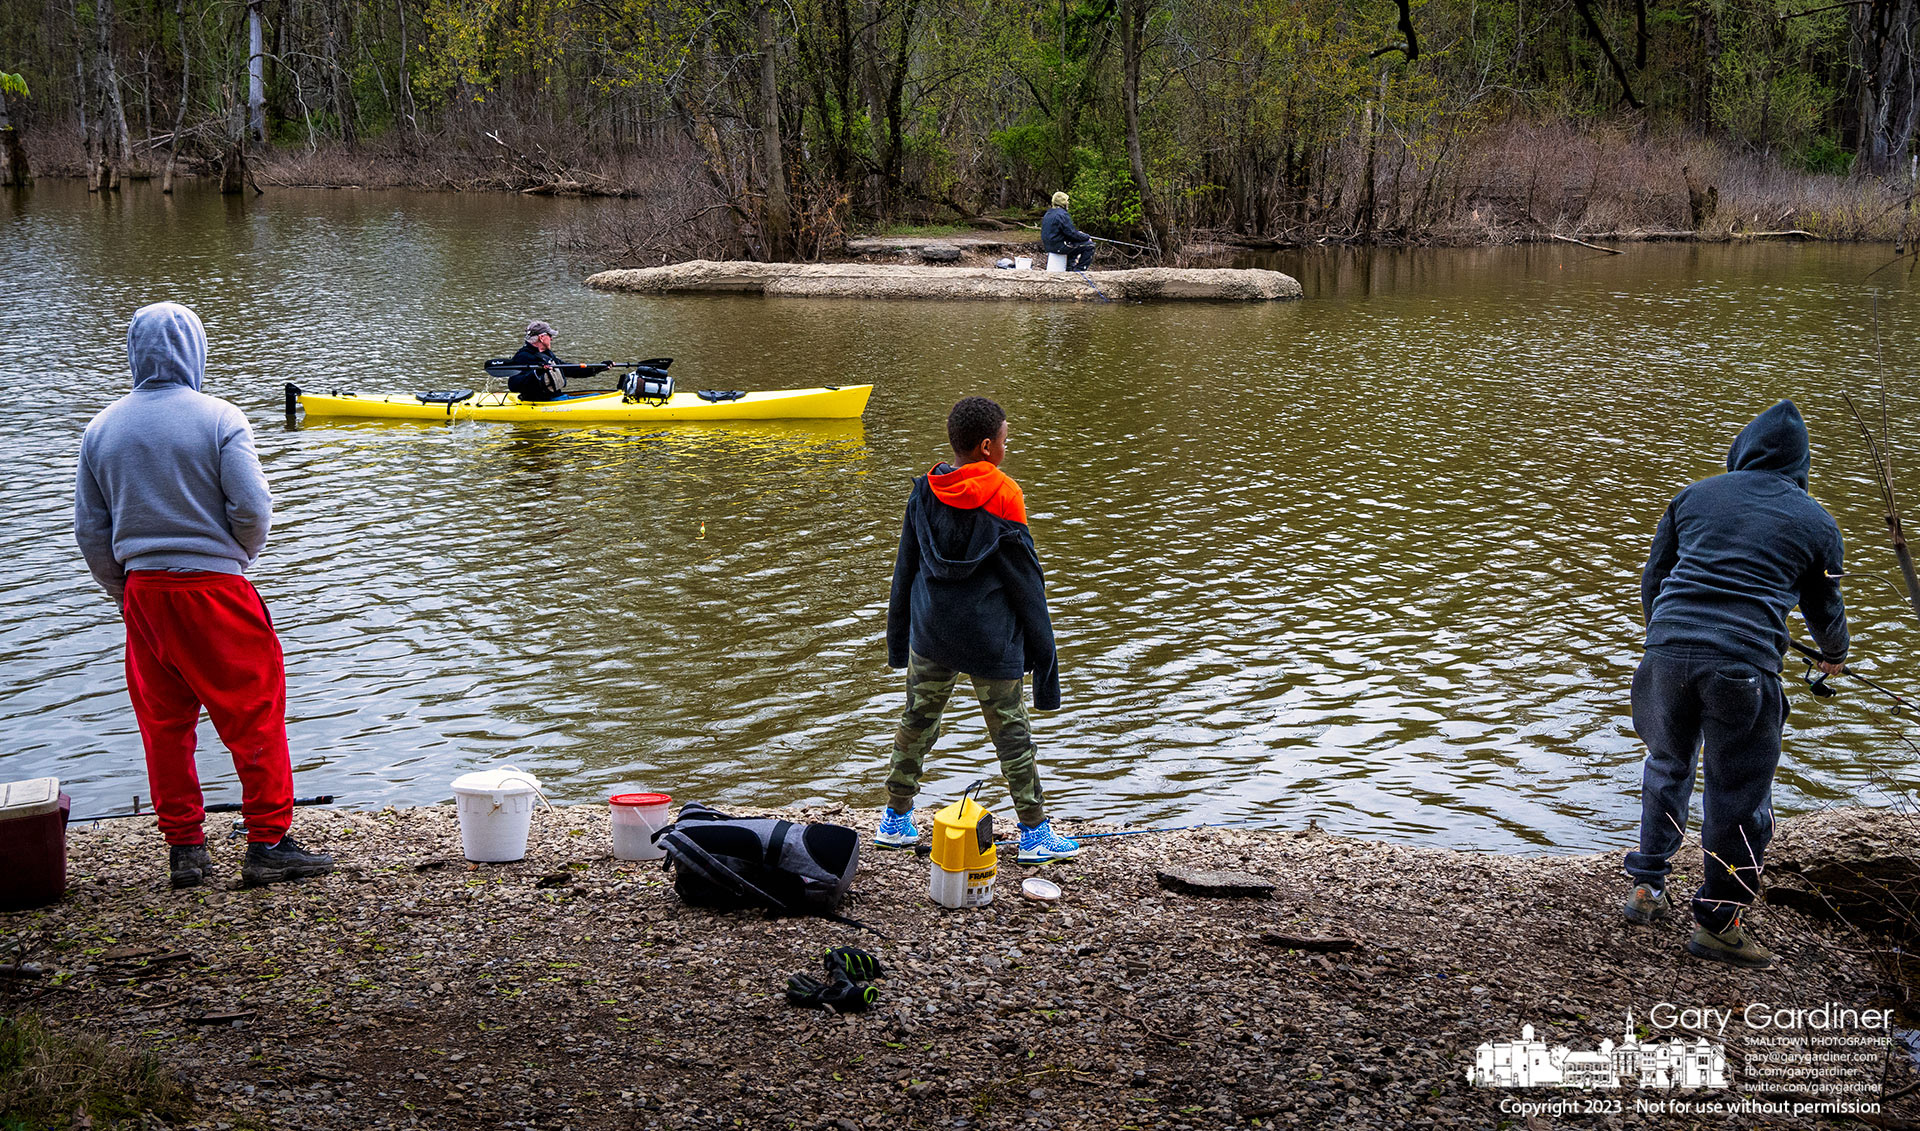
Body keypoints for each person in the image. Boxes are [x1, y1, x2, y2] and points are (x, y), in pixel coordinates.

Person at [74, 301, 336, 890]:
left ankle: (186, 852)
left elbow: (91, 531)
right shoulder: (220, 418)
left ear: (133, 351)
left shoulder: (103, 427)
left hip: (144, 592)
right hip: (214, 588)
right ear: (196, 351)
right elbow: (252, 508)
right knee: (254, 712)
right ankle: (267, 842)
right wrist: (236, 559)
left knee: (164, 723)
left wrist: (124, 589)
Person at [1622, 399, 1848, 969]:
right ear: (1801, 463)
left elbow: (1656, 578)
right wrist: (1832, 656)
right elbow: (1824, 607)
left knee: (1668, 763)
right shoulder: (1817, 520)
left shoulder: (1693, 495)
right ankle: (1719, 923)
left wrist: (1668, 639)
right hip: (1742, 668)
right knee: (1738, 794)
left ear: (1742, 450)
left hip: (1665, 655)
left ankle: (1648, 887)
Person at [876, 396, 1080, 865]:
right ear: (988, 446)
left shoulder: (925, 490)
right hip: (989, 639)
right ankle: (1033, 834)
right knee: (1010, 732)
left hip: (931, 634)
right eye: (1006, 440)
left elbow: (904, 569)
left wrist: (897, 642)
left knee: (917, 721)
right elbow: (1027, 584)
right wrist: (1045, 667)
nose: (1007, 448)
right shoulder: (1005, 494)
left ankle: (895, 818)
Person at [508, 320, 569, 401]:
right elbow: (513, 385)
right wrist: (537, 372)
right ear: (541, 338)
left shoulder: (546, 354)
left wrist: (591, 370)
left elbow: (566, 368)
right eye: (550, 335)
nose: (551, 339)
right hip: (539, 401)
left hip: (556, 397)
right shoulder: (523, 356)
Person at [1040, 191, 1095, 272]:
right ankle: (1079, 270)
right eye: (1066, 201)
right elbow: (1072, 234)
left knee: (1072, 245)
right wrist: (1086, 237)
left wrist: (1078, 234)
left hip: (1049, 246)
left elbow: (1067, 232)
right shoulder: (1062, 214)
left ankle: (1069, 268)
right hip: (1059, 246)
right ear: (1063, 203)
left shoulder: (1049, 213)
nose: (1068, 203)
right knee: (1090, 246)